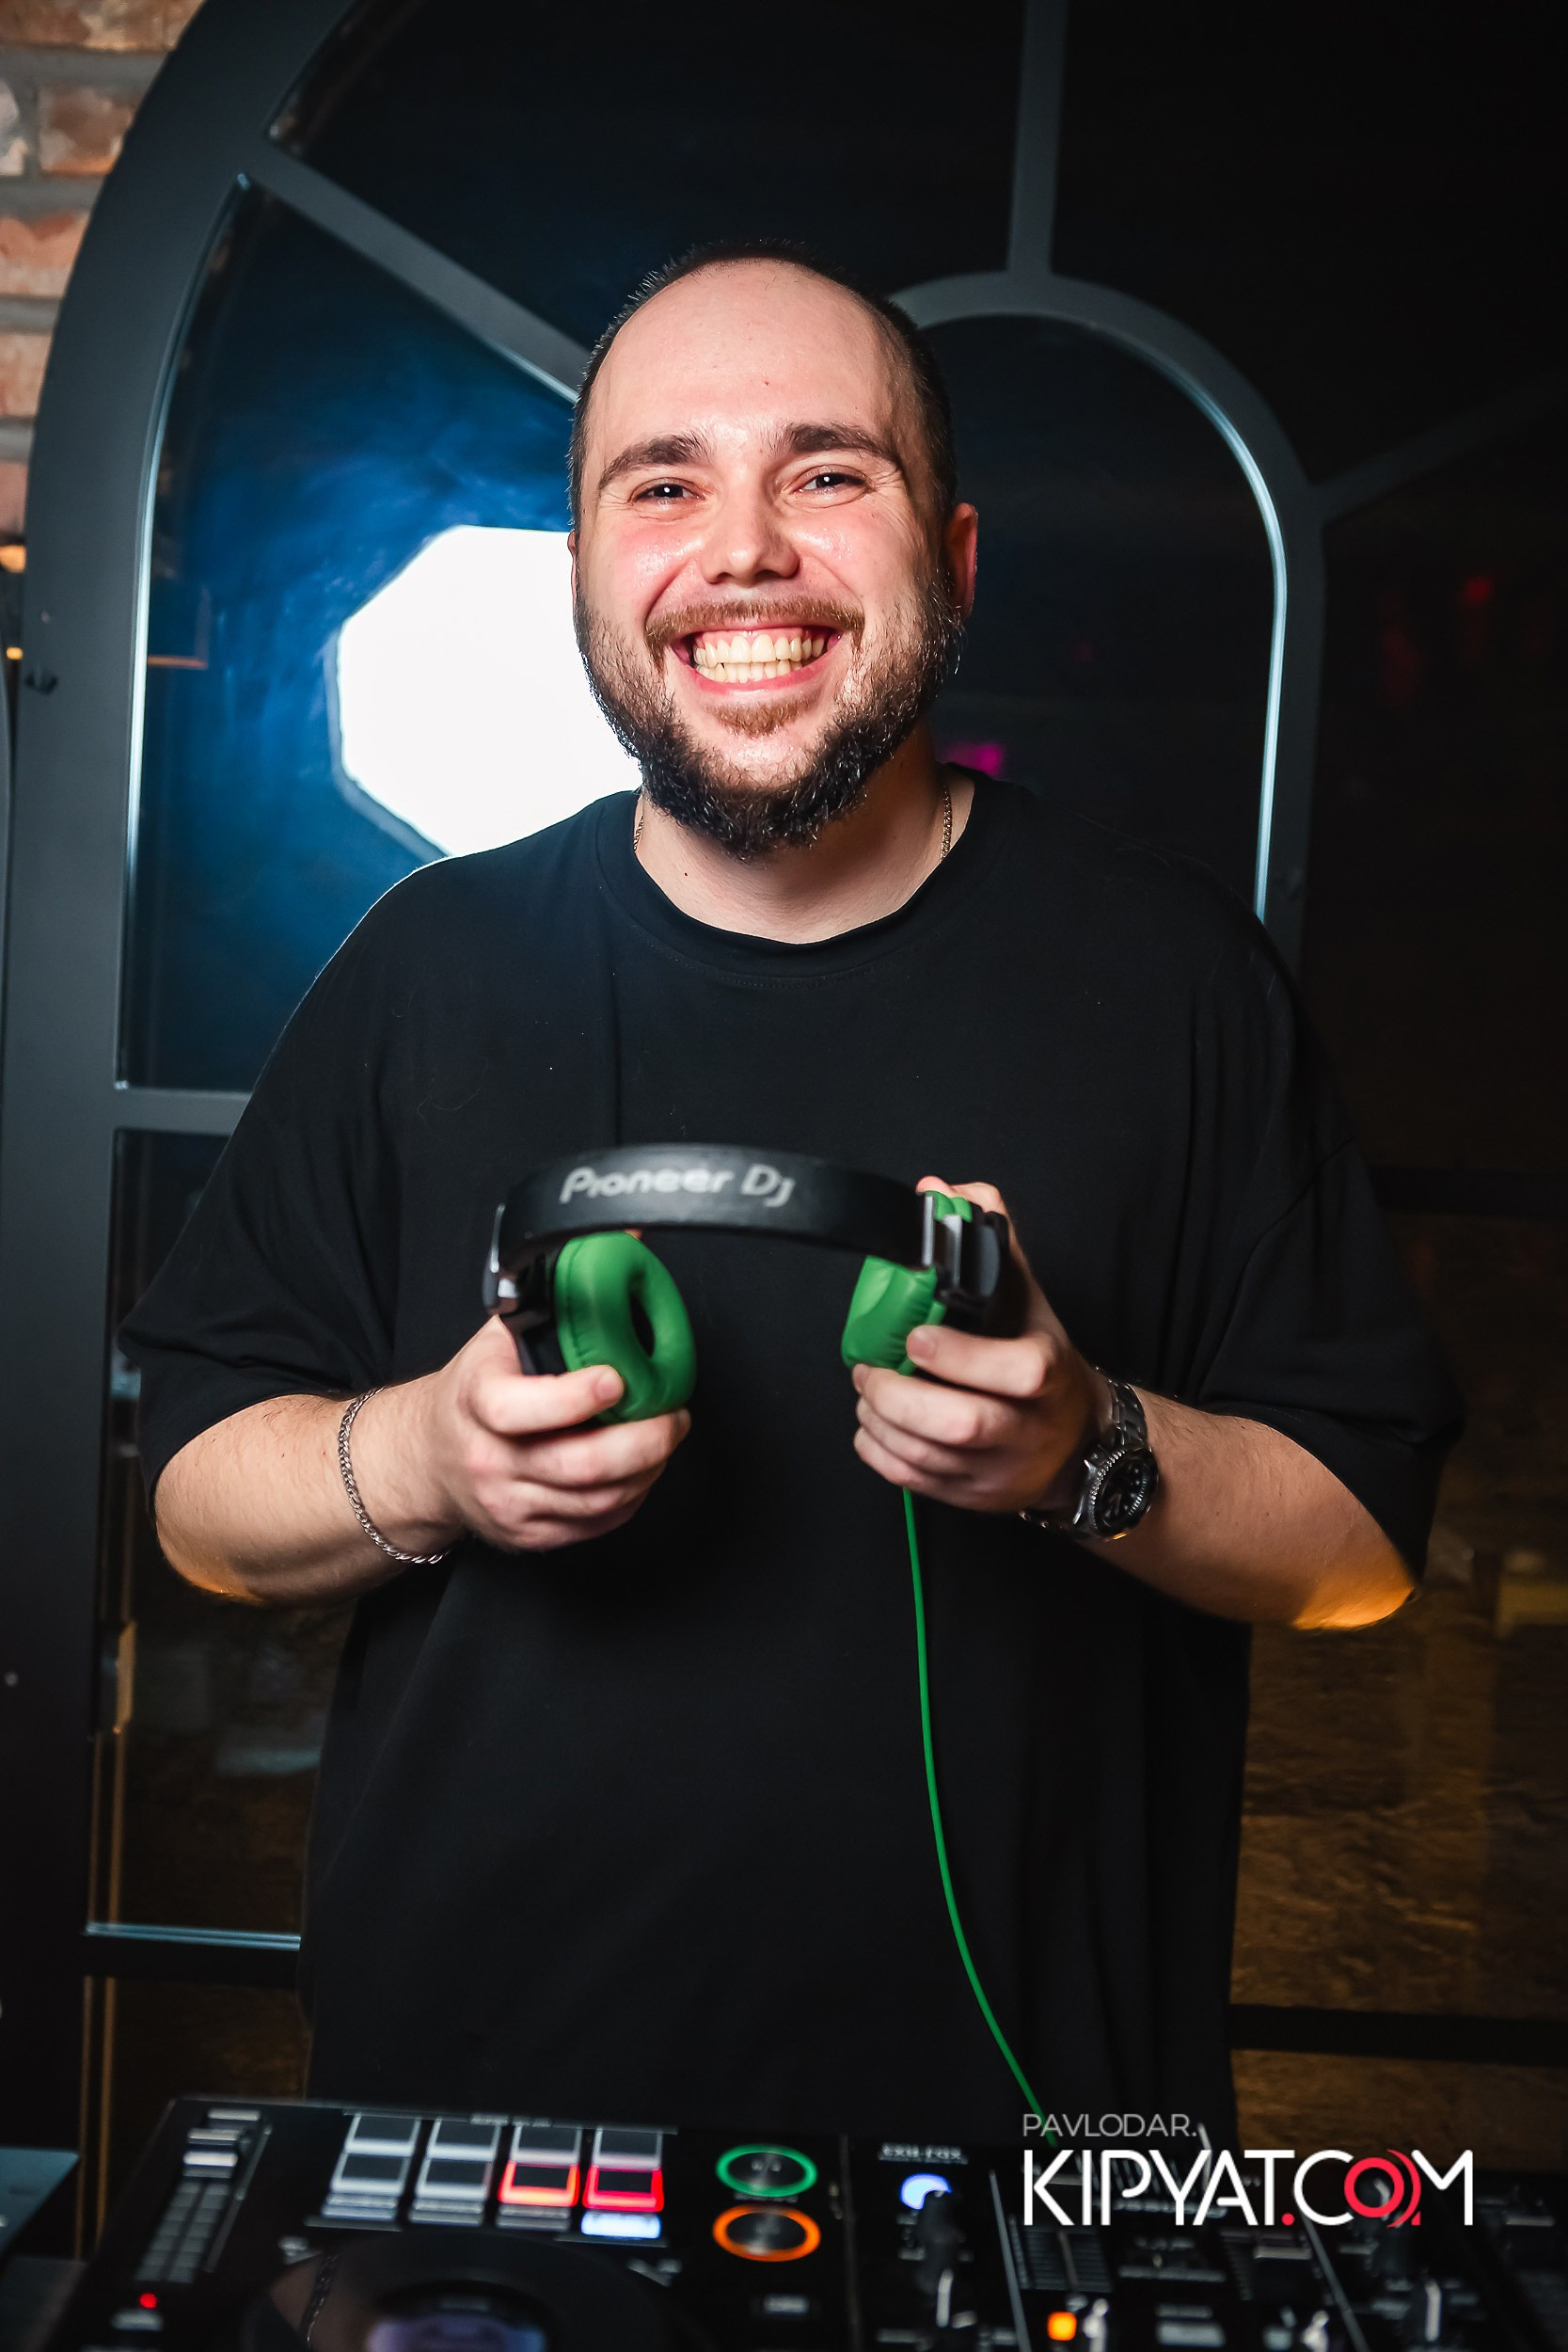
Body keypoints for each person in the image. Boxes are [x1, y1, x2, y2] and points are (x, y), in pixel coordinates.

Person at [121, 242, 1459, 2146]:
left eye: (828, 473)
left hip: (1024, 2148)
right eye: (662, 484)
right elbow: (196, 1500)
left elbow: (1362, 1544)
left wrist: (1084, 1449)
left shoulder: (1178, 982)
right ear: (587, 572)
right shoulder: (424, 967)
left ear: (957, 559)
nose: (742, 550)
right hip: (478, 2128)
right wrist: (429, 1458)